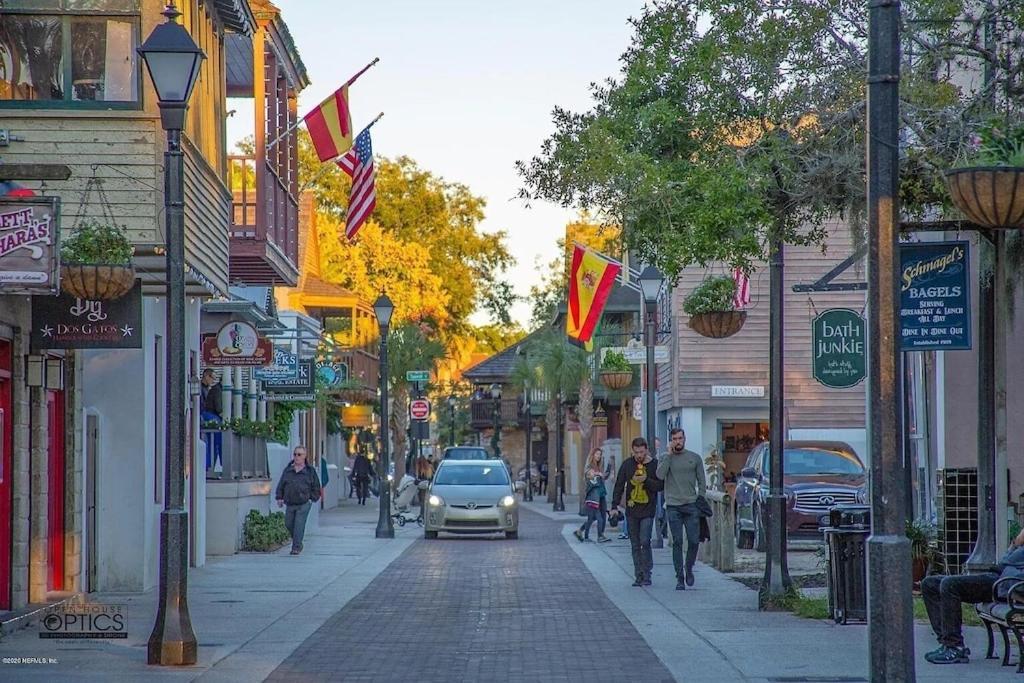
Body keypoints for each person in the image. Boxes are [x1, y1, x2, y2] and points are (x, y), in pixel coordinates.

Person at [922, 527, 1024, 664]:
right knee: (929, 583)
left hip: (1003, 585)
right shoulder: (1019, 549)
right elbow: (1006, 559)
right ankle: (947, 643)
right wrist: (1016, 543)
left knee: (950, 584)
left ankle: (955, 646)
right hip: (997, 578)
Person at [656, 428, 707, 590]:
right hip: (673, 505)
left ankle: (689, 567)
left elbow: (702, 480)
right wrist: (669, 456)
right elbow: (659, 475)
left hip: (691, 504)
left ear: (684, 439)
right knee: (677, 541)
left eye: (680, 438)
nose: (678, 441)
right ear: (671, 440)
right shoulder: (665, 458)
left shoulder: (694, 458)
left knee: (693, 540)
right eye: (674, 439)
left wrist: (702, 497)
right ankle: (679, 576)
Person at [611, 437, 663, 586]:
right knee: (634, 544)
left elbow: (660, 486)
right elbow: (619, 485)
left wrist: (646, 480)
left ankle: (647, 573)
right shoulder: (627, 465)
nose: (639, 455)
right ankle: (638, 574)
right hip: (632, 510)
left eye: (641, 452)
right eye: (636, 452)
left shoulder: (654, 465)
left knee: (645, 541)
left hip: (648, 509)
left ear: (646, 449)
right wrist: (614, 506)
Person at [275, 446, 321, 555]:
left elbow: (316, 486)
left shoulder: (309, 471)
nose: (297, 457)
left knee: (299, 524)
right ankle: (297, 540)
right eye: (295, 454)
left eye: (299, 454)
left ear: (304, 456)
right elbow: (282, 484)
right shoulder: (288, 470)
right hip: (290, 502)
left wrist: (311, 499)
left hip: (304, 503)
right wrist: (279, 497)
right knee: (288, 523)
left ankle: (296, 547)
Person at [574, 448, 612, 543]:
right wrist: (596, 474)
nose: (598, 456)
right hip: (593, 497)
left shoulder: (599, 466)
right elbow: (589, 475)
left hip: (602, 494)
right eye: (597, 454)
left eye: (600, 454)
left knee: (600, 516)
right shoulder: (589, 466)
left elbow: (604, 476)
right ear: (593, 455)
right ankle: (598, 536)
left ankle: (581, 531)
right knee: (597, 517)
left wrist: (609, 466)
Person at [199, 369, 223, 472]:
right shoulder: (203, 389)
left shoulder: (208, 389)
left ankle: (209, 466)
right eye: (212, 378)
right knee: (217, 440)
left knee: (212, 443)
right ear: (206, 376)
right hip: (205, 416)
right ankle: (210, 466)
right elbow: (217, 407)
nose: (213, 381)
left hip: (206, 416)